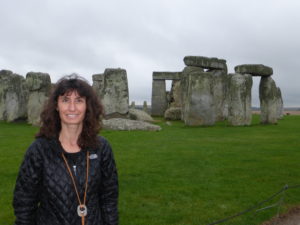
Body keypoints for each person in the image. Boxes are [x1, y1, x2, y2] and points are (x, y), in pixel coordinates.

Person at [13, 74, 118, 225]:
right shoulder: (39, 150)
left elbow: (109, 199)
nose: (72, 107)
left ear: (88, 106)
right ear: (56, 105)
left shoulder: (102, 148)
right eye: (65, 100)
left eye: (79, 101)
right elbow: (24, 204)